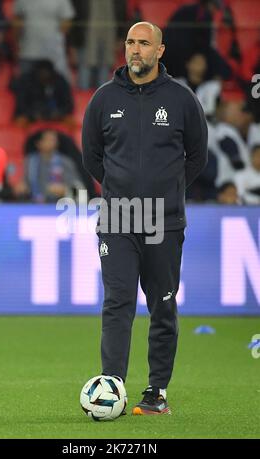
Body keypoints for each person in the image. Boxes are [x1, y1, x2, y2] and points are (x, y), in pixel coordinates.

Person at [82, 22, 208, 415]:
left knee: (163, 307)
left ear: (160, 50)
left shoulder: (182, 100)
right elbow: (92, 157)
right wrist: (123, 192)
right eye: (130, 43)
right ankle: (112, 386)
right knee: (117, 303)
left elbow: (197, 156)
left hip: (164, 221)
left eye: (144, 43)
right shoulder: (103, 99)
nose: (135, 50)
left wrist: (165, 194)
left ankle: (156, 392)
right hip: (117, 218)